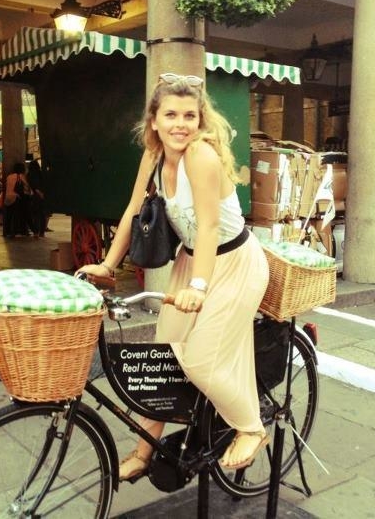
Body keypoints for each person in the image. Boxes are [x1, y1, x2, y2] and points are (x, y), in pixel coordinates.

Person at [77, 73, 270, 481]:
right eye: (170, 115)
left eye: (189, 116)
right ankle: (144, 452)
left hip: (233, 264)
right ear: (154, 121)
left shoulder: (200, 156)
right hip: (191, 261)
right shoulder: (152, 156)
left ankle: (251, 428)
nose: (180, 124)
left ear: (200, 120)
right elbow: (133, 211)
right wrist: (107, 266)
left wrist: (199, 287)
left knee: (199, 360)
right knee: (163, 359)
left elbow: (209, 227)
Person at [2, 161, 33, 237]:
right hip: (17, 198)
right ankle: (19, 231)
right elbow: (27, 187)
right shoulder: (22, 177)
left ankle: (8, 232)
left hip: (8, 198)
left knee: (9, 216)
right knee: (19, 216)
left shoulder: (9, 176)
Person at [26, 157, 46, 237]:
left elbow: (34, 186)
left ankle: (36, 232)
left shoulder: (29, 174)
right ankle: (42, 232)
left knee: (36, 214)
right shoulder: (41, 173)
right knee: (42, 214)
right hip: (43, 195)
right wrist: (42, 193)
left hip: (35, 196)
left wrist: (39, 193)